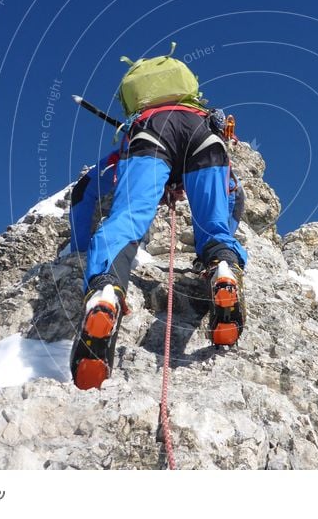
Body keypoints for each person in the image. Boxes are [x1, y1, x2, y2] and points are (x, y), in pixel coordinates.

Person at [68, 43, 248, 390]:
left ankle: (105, 292)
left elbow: (85, 189)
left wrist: (76, 247)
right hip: (206, 137)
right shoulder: (202, 115)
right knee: (214, 227)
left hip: (151, 134)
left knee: (127, 221)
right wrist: (221, 238)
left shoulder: (143, 121)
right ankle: (223, 268)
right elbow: (235, 194)